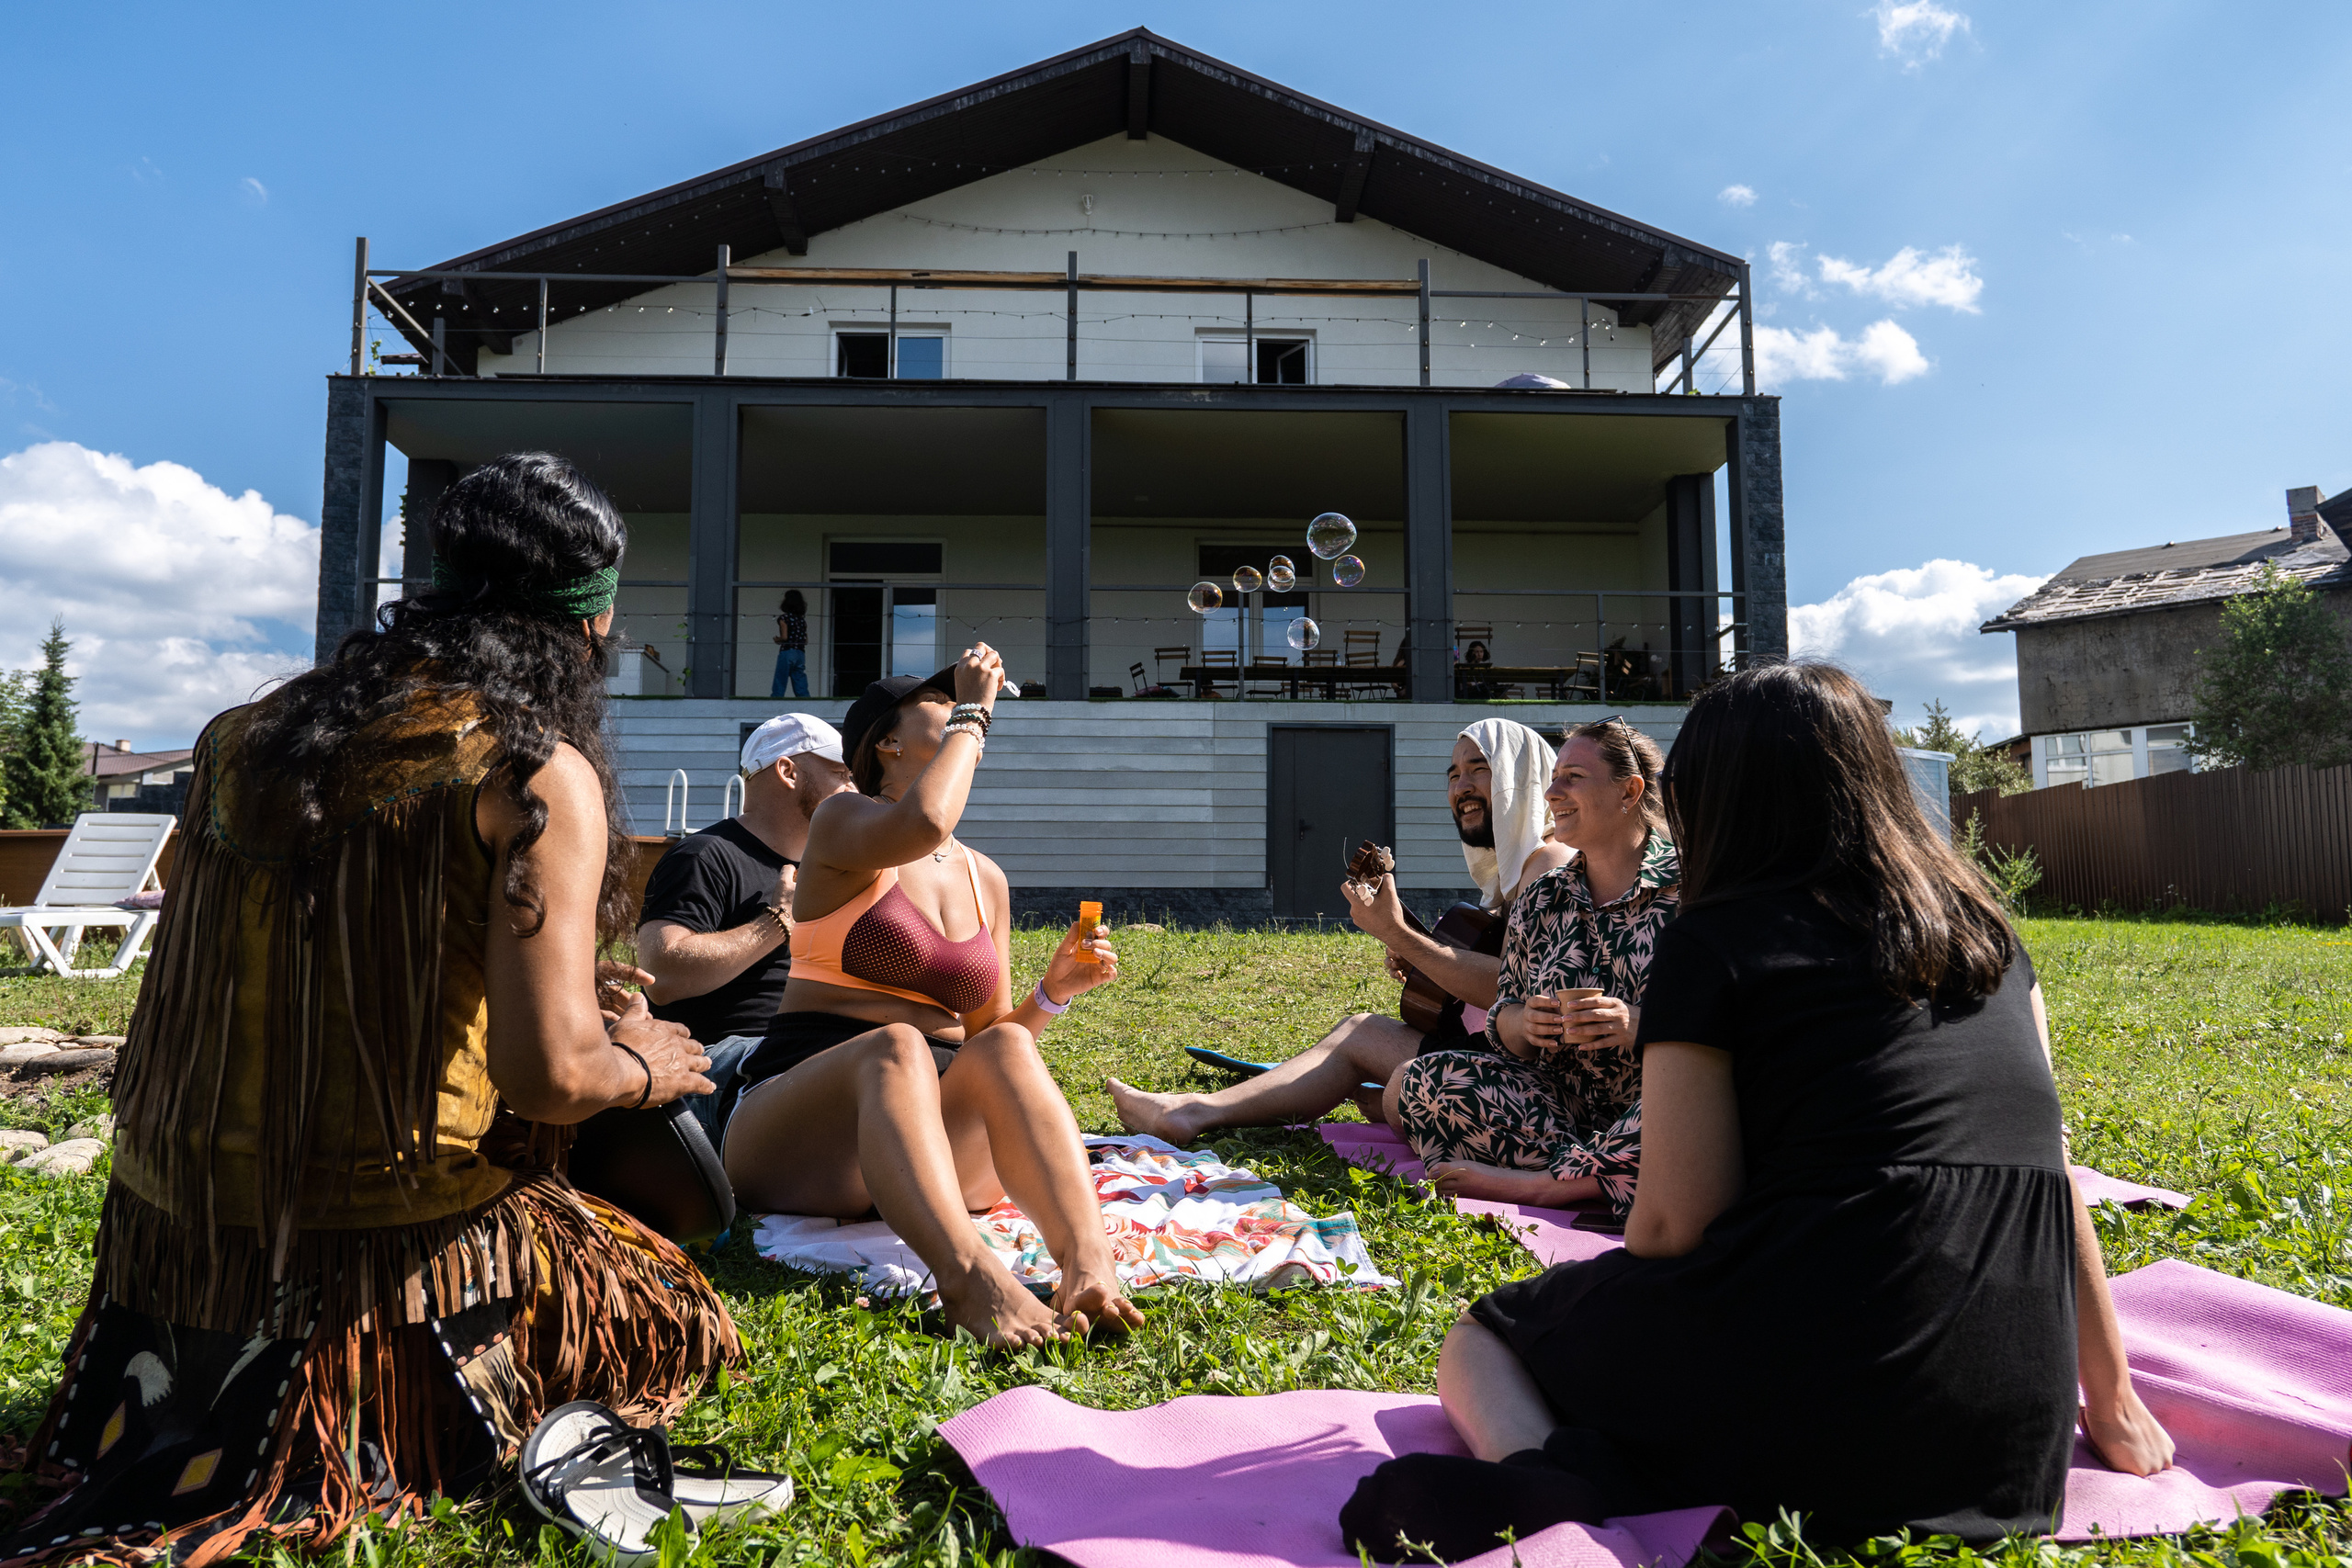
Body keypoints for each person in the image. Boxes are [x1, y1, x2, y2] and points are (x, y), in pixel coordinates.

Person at [0, 454, 736, 1564]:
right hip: (381, 1238)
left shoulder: (241, 740)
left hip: (176, 1218)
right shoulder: (533, 770)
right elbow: (549, 1081)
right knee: (668, 1311)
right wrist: (647, 1062)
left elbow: (325, 958)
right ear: (592, 621)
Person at [1340, 663, 2175, 1562]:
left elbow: (1668, 1228)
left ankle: (1553, 1478)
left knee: (1485, 1337)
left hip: (1822, 1424)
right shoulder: (1992, 938)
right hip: (2009, 1451)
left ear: (1713, 800)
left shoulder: (1717, 939)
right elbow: (2049, 1178)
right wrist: (2113, 1401)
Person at [718, 649, 1144, 1348]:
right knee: (897, 1047)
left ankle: (1088, 1266)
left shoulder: (987, 878)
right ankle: (969, 1278)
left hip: (928, 1146)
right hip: (804, 1128)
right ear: (886, 740)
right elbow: (923, 825)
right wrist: (975, 711)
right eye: (941, 703)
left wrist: (1052, 994)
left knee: (1006, 1044)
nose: (962, 708)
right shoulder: (841, 822)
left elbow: (989, 1042)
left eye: (962, 702)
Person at [1108, 717, 1572, 1144]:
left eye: (1478, 769)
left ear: (1519, 776)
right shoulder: (1515, 872)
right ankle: (1192, 1112)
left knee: (1364, 1043)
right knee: (1360, 1031)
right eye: (1452, 775)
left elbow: (1517, 992)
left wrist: (1401, 936)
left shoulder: (1548, 864)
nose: (1461, 787)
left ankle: (1191, 1113)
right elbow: (1503, 973)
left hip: (1537, 1090)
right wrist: (1421, 957)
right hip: (1501, 1061)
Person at [1390, 718, 1678, 1213]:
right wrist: (1524, 1023)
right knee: (1426, 1081)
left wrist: (1636, 1025)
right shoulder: (1544, 894)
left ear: (1629, 791)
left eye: (1574, 778)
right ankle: (1606, 1171)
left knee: (1706, 1099)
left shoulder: (1691, 891)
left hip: (1658, 1102)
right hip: (1559, 1106)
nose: (1552, 792)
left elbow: (1733, 1026)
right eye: (1554, 777)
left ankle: (1551, 1185)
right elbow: (1504, 1013)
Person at [636, 713, 852, 1139]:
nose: (853, 788)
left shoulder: (826, 870)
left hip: (792, 1054)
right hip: (721, 1067)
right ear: (788, 771)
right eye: (839, 773)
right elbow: (662, 974)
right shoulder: (705, 855)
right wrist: (777, 922)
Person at [771, 590, 809, 698]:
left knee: (781, 678)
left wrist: (777, 639)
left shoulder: (784, 618)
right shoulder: (802, 620)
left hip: (787, 651)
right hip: (800, 653)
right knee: (799, 678)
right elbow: (805, 640)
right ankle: (805, 700)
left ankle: (776, 699)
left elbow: (785, 637)